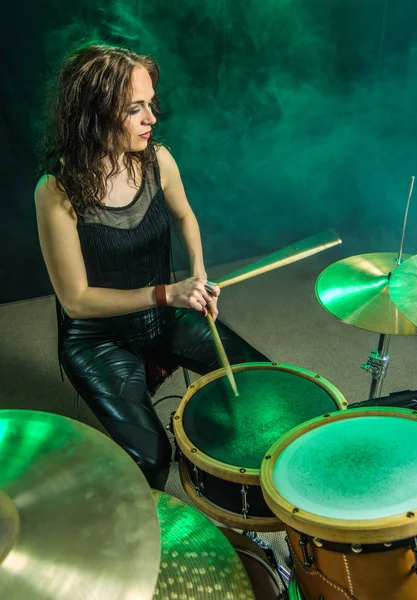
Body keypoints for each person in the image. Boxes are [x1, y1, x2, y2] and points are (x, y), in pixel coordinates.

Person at [34, 42, 268, 491]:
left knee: (260, 382)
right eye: (135, 109)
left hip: (164, 314)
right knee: (151, 459)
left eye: (151, 105)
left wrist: (198, 271)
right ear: (95, 114)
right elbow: (76, 301)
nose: (152, 119)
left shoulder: (157, 158)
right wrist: (169, 292)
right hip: (98, 338)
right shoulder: (55, 191)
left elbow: (185, 215)